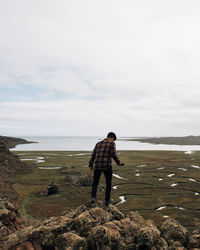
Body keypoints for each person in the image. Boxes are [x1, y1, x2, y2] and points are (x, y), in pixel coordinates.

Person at [89, 132, 124, 206]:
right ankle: (107, 200)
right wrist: (118, 163)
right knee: (108, 183)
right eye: (113, 140)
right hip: (107, 166)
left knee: (95, 182)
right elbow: (114, 154)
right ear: (112, 138)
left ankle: (93, 198)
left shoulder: (98, 144)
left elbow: (93, 155)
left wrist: (91, 165)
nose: (113, 141)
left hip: (97, 166)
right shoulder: (111, 144)